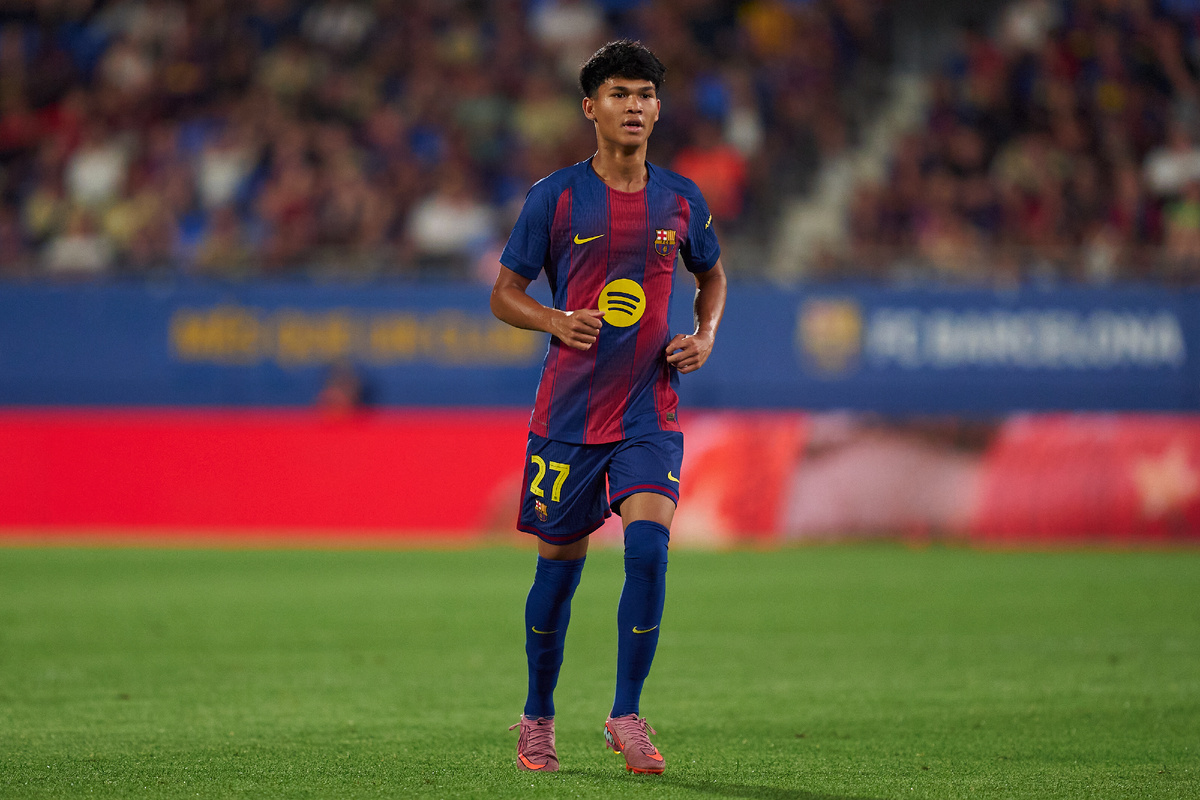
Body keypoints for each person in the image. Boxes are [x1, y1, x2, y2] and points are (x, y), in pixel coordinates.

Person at [491, 40, 728, 775]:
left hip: (648, 412)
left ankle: (626, 713)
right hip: (566, 419)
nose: (634, 106)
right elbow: (504, 294)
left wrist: (704, 335)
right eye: (619, 94)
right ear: (590, 107)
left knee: (649, 550)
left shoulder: (681, 200)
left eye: (646, 95)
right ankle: (537, 717)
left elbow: (713, 276)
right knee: (557, 573)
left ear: (659, 108)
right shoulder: (555, 197)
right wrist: (554, 319)